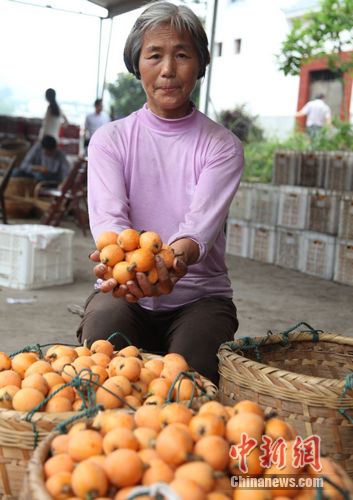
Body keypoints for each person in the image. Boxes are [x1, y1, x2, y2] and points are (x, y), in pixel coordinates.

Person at [77, 1, 244, 385]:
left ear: (200, 65)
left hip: (200, 297)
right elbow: (110, 223)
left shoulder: (222, 146)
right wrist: (130, 271)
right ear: (137, 64)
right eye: (155, 55)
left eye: (182, 55)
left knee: (187, 379)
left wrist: (170, 264)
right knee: (103, 353)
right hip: (122, 290)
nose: (168, 70)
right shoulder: (111, 140)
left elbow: (197, 230)